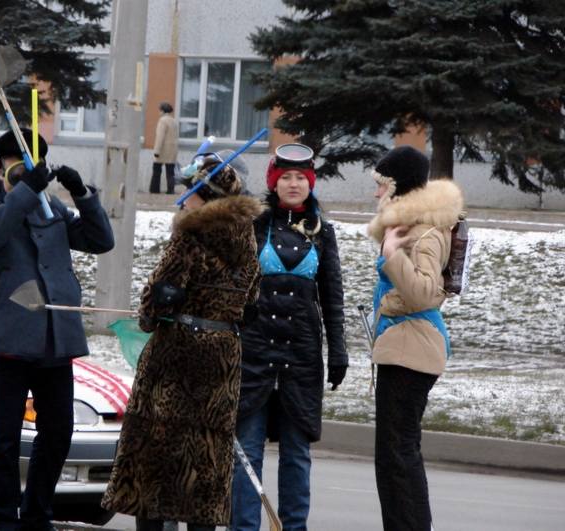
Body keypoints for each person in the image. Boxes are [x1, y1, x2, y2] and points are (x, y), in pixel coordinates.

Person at [0, 128, 114, 531]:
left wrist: (82, 195)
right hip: (11, 339)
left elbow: (101, 241)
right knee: (6, 435)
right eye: (13, 166)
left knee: (59, 431)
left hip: (55, 339)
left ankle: (37, 512)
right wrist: (24, 191)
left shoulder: (52, 210)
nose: (18, 173)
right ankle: (3, 517)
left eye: (28, 167)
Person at [102, 158, 263, 530]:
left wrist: (148, 317)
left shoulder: (190, 234)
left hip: (177, 354)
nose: (182, 198)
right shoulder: (246, 235)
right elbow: (251, 297)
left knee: (157, 457)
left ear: (203, 195)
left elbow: (161, 294)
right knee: (205, 457)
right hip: (223, 353)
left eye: (188, 190)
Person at [230, 144, 348, 531]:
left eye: (301, 178)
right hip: (255, 354)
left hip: (301, 356)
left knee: (297, 454)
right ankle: (244, 526)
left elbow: (332, 297)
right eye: (286, 178)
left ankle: (294, 527)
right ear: (274, 183)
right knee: (247, 449)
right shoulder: (255, 225)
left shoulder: (323, 232)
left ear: (310, 183)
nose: (294, 184)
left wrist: (338, 351)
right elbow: (234, 287)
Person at [367, 145, 464, 531]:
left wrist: (392, 254)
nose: (376, 193)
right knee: (395, 455)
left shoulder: (424, 231)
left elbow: (425, 292)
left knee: (398, 455)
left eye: (382, 185)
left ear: (399, 186)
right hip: (404, 348)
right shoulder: (413, 224)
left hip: (412, 352)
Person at [149, 102, 178, 194]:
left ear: (162, 110)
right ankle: (171, 189)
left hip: (163, 150)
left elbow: (160, 137)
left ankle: (154, 189)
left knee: (156, 170)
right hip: (172, 150)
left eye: (160, 110)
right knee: (170, 172)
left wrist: (156, 151)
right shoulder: (174, 121)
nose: (159, 112)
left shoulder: (162, 121)